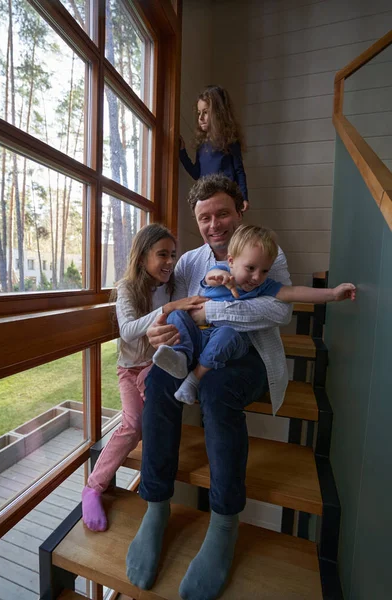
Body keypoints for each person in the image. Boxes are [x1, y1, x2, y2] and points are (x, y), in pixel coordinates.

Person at [125, 174, 292, 599]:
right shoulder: (188, 264)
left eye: (222, 214)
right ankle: (156, 506)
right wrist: (164, 333)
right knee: (161, 379)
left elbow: (277, 312)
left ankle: (223, 521)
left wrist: (209, 316)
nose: (214, 224)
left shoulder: (268, 252)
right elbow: (174, 311)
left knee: (217, 393)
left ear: (240, 211)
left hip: (251, 357)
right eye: (204, 218)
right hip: (198, 352)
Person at [81, 224, 205, 532]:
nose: (169, 262)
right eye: (162, 254)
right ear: (142, 257)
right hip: (130, 367)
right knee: (132, 424)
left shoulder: (173, 284)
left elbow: (182, 314)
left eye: (172, 255)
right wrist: (169, 307)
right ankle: (93, 487)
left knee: (156, 418)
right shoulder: (127, 288)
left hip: (158, 365)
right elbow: (128, 330)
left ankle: (154, 495)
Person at [153, 224, 356, 405]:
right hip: (197, 336)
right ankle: (180, 356)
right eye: (250, 268)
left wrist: (332, 294)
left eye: (265, 271)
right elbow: (210, 277)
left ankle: (194, 379)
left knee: (227, 334)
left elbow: (294, 292)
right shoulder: (220, 270)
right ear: (231, 261)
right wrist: (221, 277)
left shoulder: (263, 287)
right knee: (176, 314)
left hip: (226, 342)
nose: (257, 277)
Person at [180, 84, 249, 210]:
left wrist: (244, 197)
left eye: (205, 112)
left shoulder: (230, 140)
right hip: (206, 198)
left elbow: (239, 171)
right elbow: (197, 173)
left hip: (226, 196)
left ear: (218, 113)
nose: (200, 118)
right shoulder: (201, 145)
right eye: (199, 113)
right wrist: (182, 153)